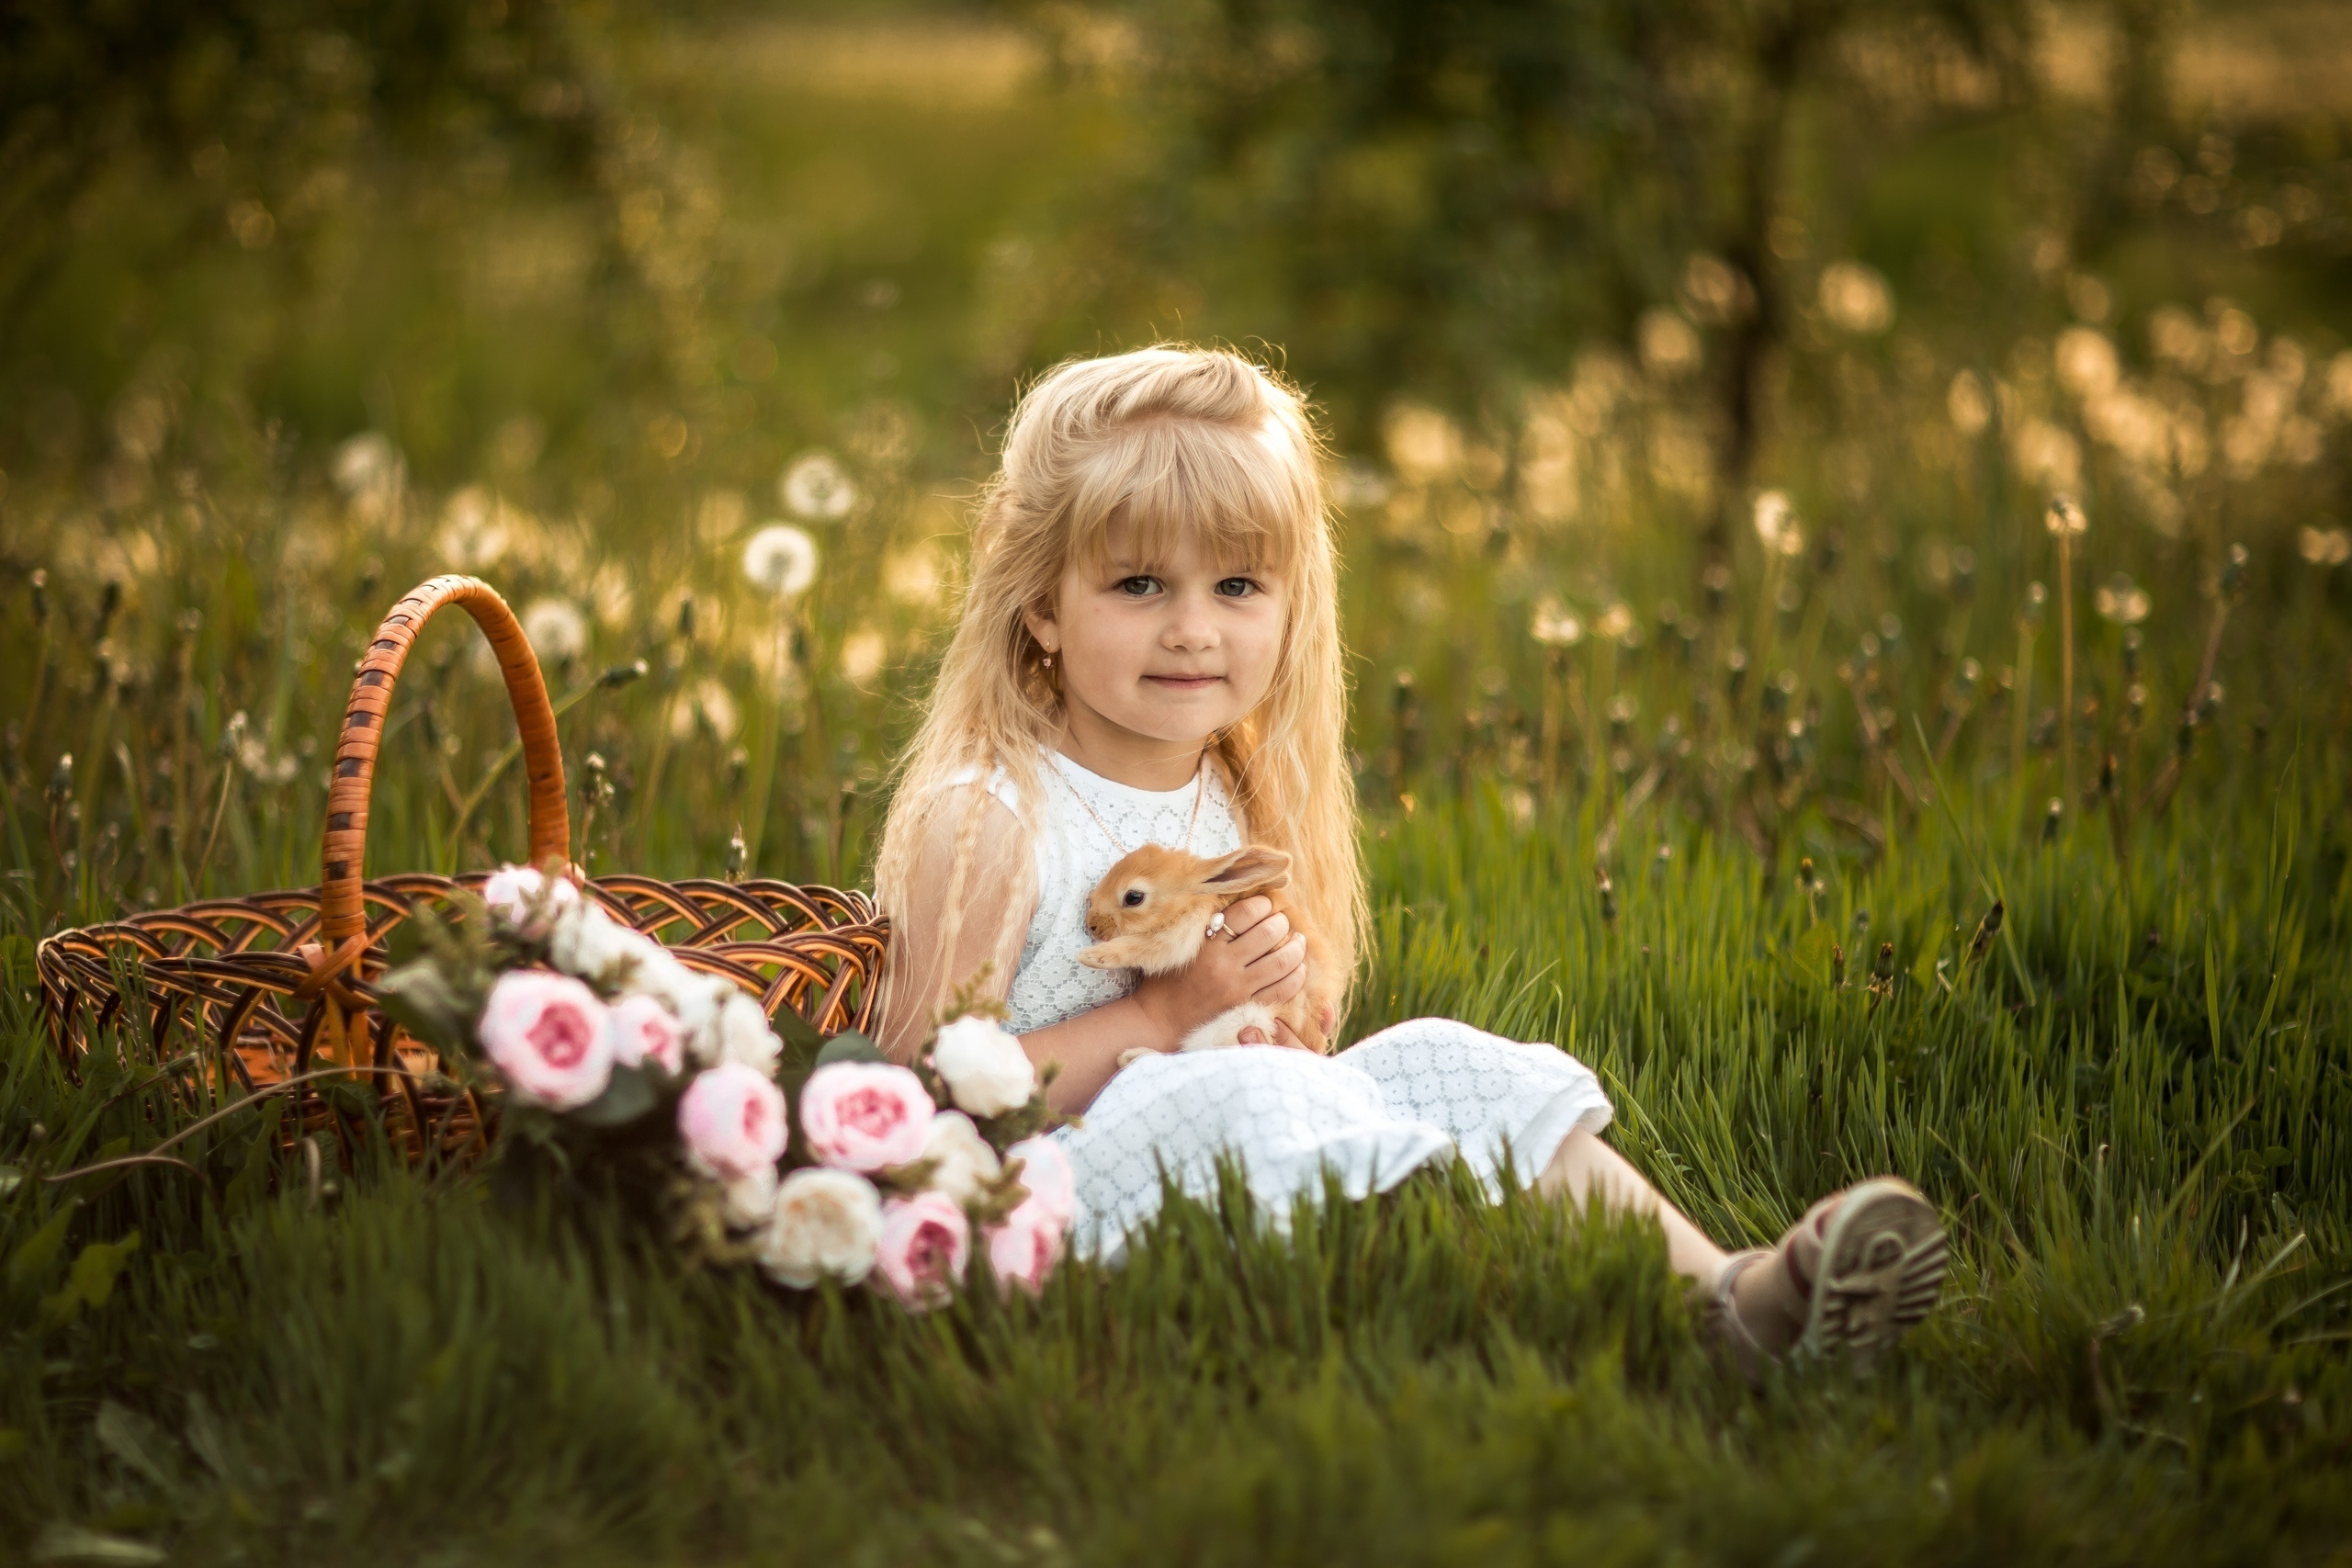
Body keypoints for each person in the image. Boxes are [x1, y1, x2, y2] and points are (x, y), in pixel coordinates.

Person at [873, 344, 1946, 1368]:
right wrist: (1165, 1018)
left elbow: (1260, 1027)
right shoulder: (993, 816)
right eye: (1140, 585)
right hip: (1037, 1199)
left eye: (1238, 588)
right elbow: (926, 1092)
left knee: (1443, 1057)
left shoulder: (1231, 790)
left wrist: (1276, 1022)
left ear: (1293, 606)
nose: (1194, 630)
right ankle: (1451, 1316)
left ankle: (1726, 1304)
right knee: (1248, 1101)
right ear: (1039, 606)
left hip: (1219, 1153)